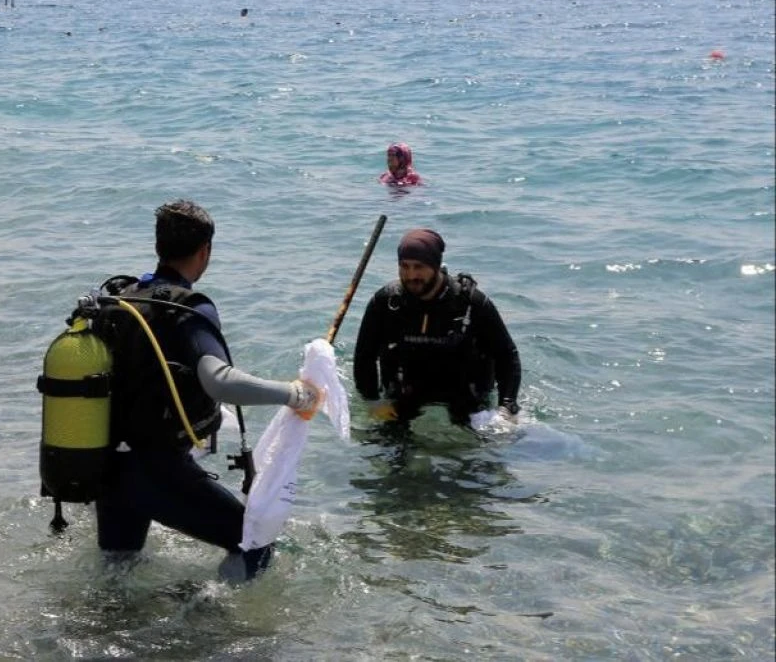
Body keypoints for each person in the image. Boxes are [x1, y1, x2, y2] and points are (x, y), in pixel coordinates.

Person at [94, 200, 322, 583]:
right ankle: (206, 630)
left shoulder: (122, 299)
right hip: (157, 469)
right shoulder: (188, 307)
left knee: (118, 574)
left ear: (158, 246)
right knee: (254, 544)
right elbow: (218, 380)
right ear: (205, 252)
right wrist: (294, 393)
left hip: (108, 470)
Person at [352, 228, 520, 428]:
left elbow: (507, 356)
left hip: (464, 397)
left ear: (436, 266)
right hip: (405, 393)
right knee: (383, 452)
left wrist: (506, 407)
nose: (411, 275)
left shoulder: (471, 303)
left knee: (481, 456)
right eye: (404, 266)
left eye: (419, 267)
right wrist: (372, 400)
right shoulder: (386, 303)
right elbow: (364, 356)